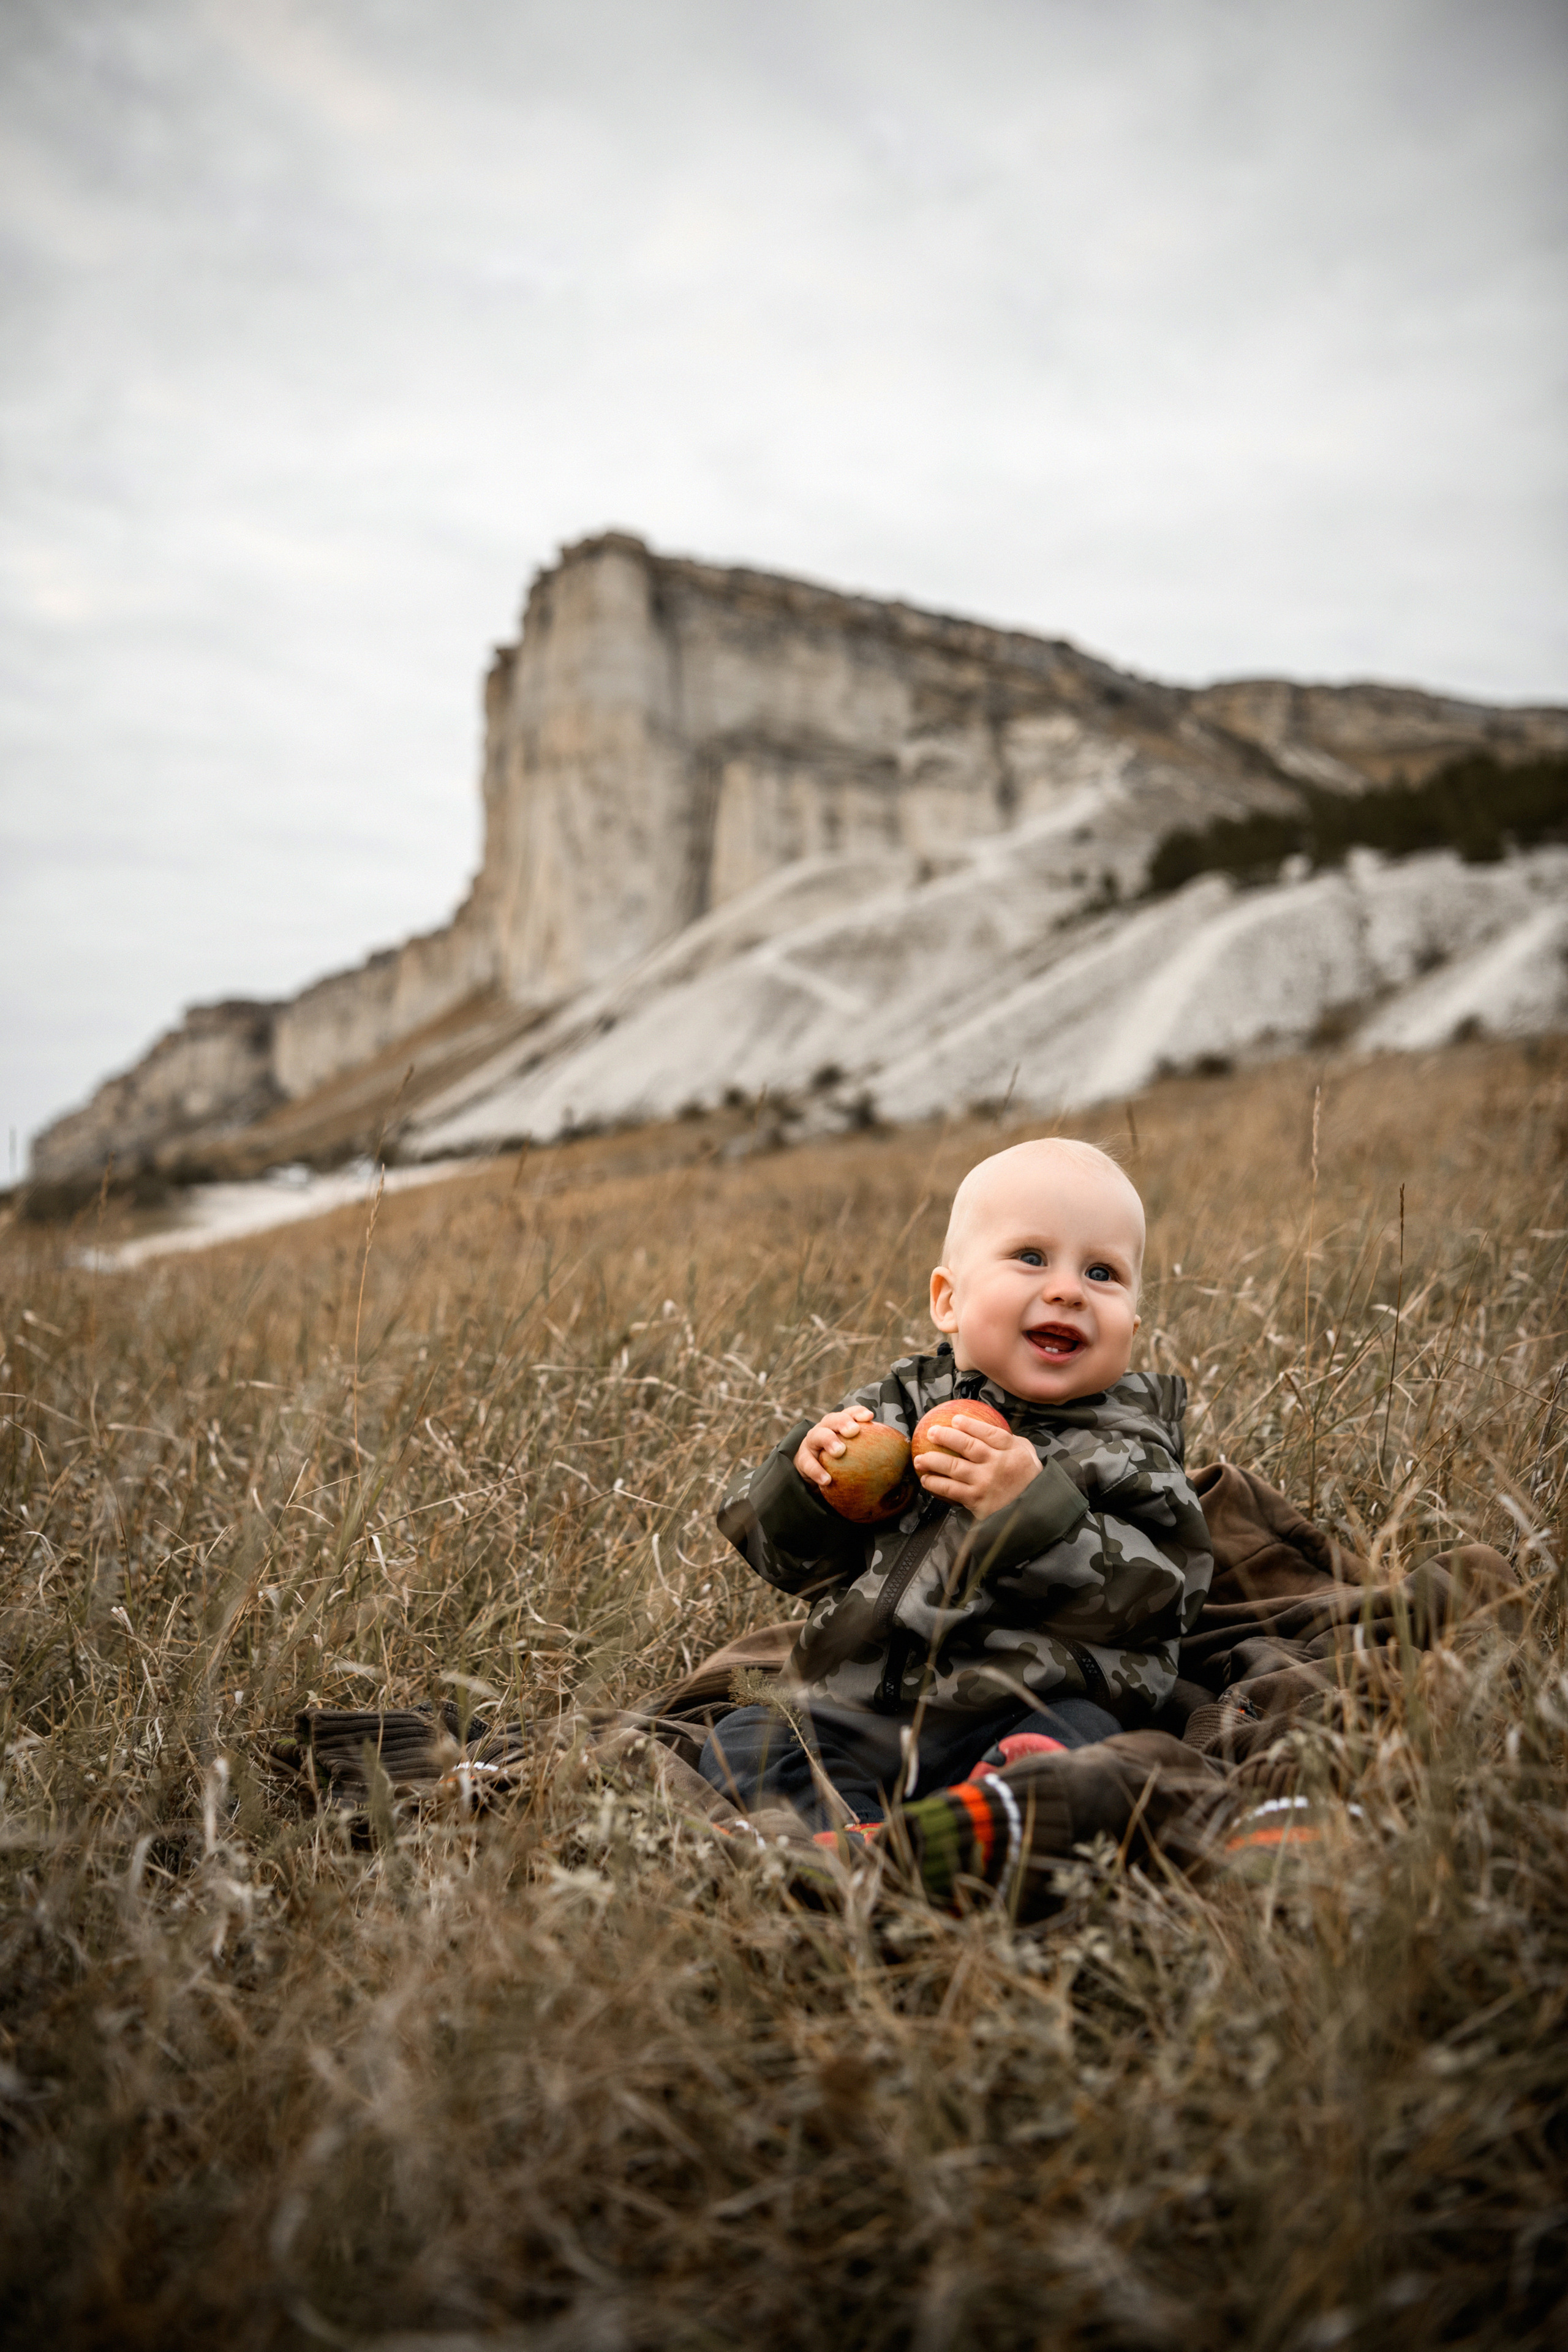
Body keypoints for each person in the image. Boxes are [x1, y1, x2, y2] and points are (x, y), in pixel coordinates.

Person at [698, 1137, 1213, 1834]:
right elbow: (783, 1560)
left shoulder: (1126, 1446)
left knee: (1084, 1742)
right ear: (948, 1300)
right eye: (1031, 1257)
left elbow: (1161, 1601)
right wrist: (805, 1481)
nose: (1067, 1289)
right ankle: (850, 1836)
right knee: (748, 1740)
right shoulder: (895, 1409)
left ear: (1132, 1328)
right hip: (857, 1710)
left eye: (1102, 1272)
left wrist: (1033, 1512)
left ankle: (992, 1809)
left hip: (1022, 1707)